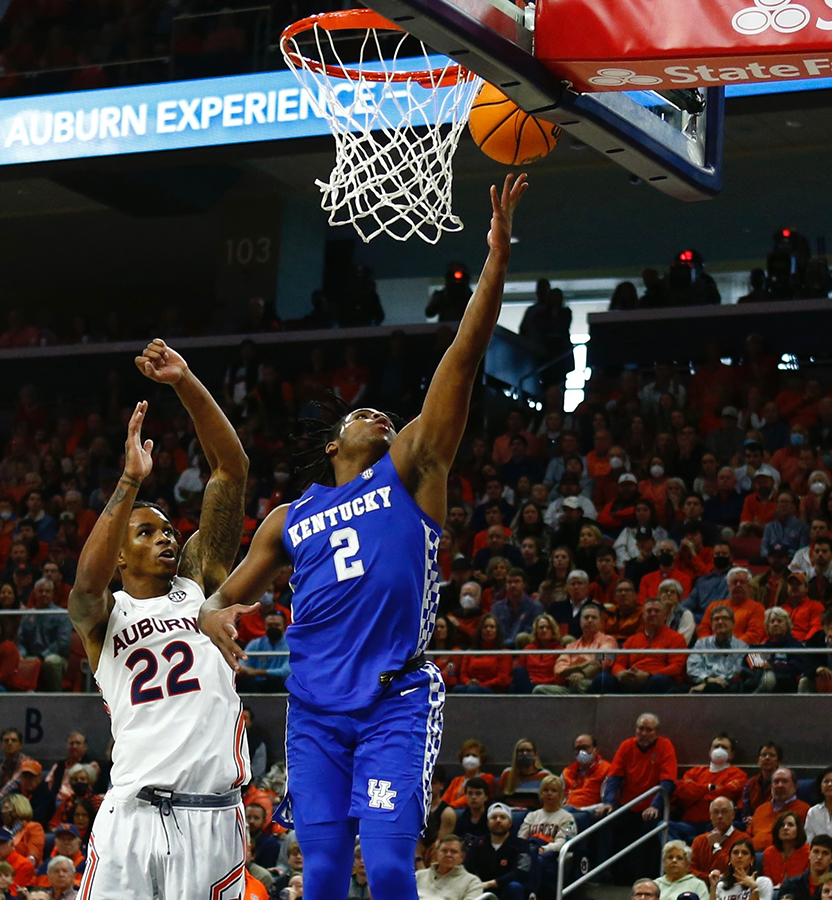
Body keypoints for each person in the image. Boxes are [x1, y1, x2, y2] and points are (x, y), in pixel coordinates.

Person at [199, 176, 531, 900]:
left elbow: (462, 361)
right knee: (317, 873)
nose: (376, 414)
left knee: (384, 868)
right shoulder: (290, 517)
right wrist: (215, 613)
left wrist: (496, 265)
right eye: (361, 413)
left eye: (383, 412)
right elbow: (223, 599)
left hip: (393, 698)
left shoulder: (411, 472)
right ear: (333, 444)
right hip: (314, 707)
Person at [66, 340, 253, 899]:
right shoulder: (102, 616)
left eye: (168, 528)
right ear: (119, 553)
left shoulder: (199, 580)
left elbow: (231, 470)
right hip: (131, 813)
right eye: (146, 532)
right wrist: (130, 483)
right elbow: (85, 584)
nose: (167, 536)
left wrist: (185, 381)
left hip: (212, 814)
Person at [600, 713, 679, 882]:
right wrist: (608, 803)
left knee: (650, 827)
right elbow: (614, 777)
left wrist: (655, 806)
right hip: (630, 805)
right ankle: (611, 874)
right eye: (640, 729)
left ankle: (643, 877)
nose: (643, 733)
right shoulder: (627, 746)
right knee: (607, 821)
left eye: (648, 730)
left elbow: (667, 782)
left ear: (656, 732)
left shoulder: (665, 746)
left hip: (654, 806)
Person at [462, 803, 534, 900]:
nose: (498, 821)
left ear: (510, 823)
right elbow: (467, 869)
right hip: (482, 890)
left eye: (503, 817)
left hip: (508, 891)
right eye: (494, 817)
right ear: (488, 823)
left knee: (514, 886)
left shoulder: (521, 845)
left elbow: (521, 872)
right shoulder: (478, 844)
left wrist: (492, 883)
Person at [691, 797, 751, 882]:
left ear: (733, 815)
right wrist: (709, 878)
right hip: (702, 887)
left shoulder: (743, 840)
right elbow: (689, 870)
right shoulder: (699, 841)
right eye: (716, 812)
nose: (720, 816)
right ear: (710, 816)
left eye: (724, 812)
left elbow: (736, 870)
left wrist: (716, 847)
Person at [416, 834, 485, 900]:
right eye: (444, 851)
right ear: (436, 854)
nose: (448, 855)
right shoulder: (419, 875)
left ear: (462, 857)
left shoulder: (472, 882)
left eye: (453, 852)